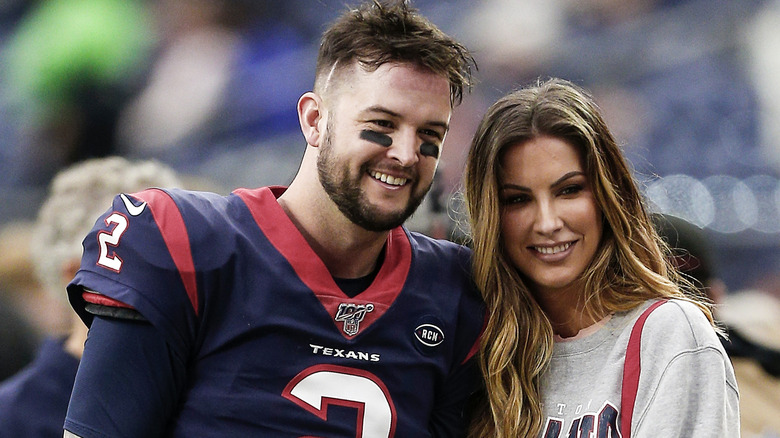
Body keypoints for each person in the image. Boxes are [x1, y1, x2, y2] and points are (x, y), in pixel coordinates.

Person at [63, 1, 484, 437]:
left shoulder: (453, 290)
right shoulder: (184, 244)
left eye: (429, 135)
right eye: (382, 123)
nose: (404, 153)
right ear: (314, 120)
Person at [462, 78, 738, 437]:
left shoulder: (670, 335)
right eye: (518, 199)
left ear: (610, 195)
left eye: (569, 190)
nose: (547, 223)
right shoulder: (480, 348)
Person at [0, 157, 182, 437]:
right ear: (76, 275)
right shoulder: (14, 418)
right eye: (141, 254)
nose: (173, 271)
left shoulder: (210, 392)